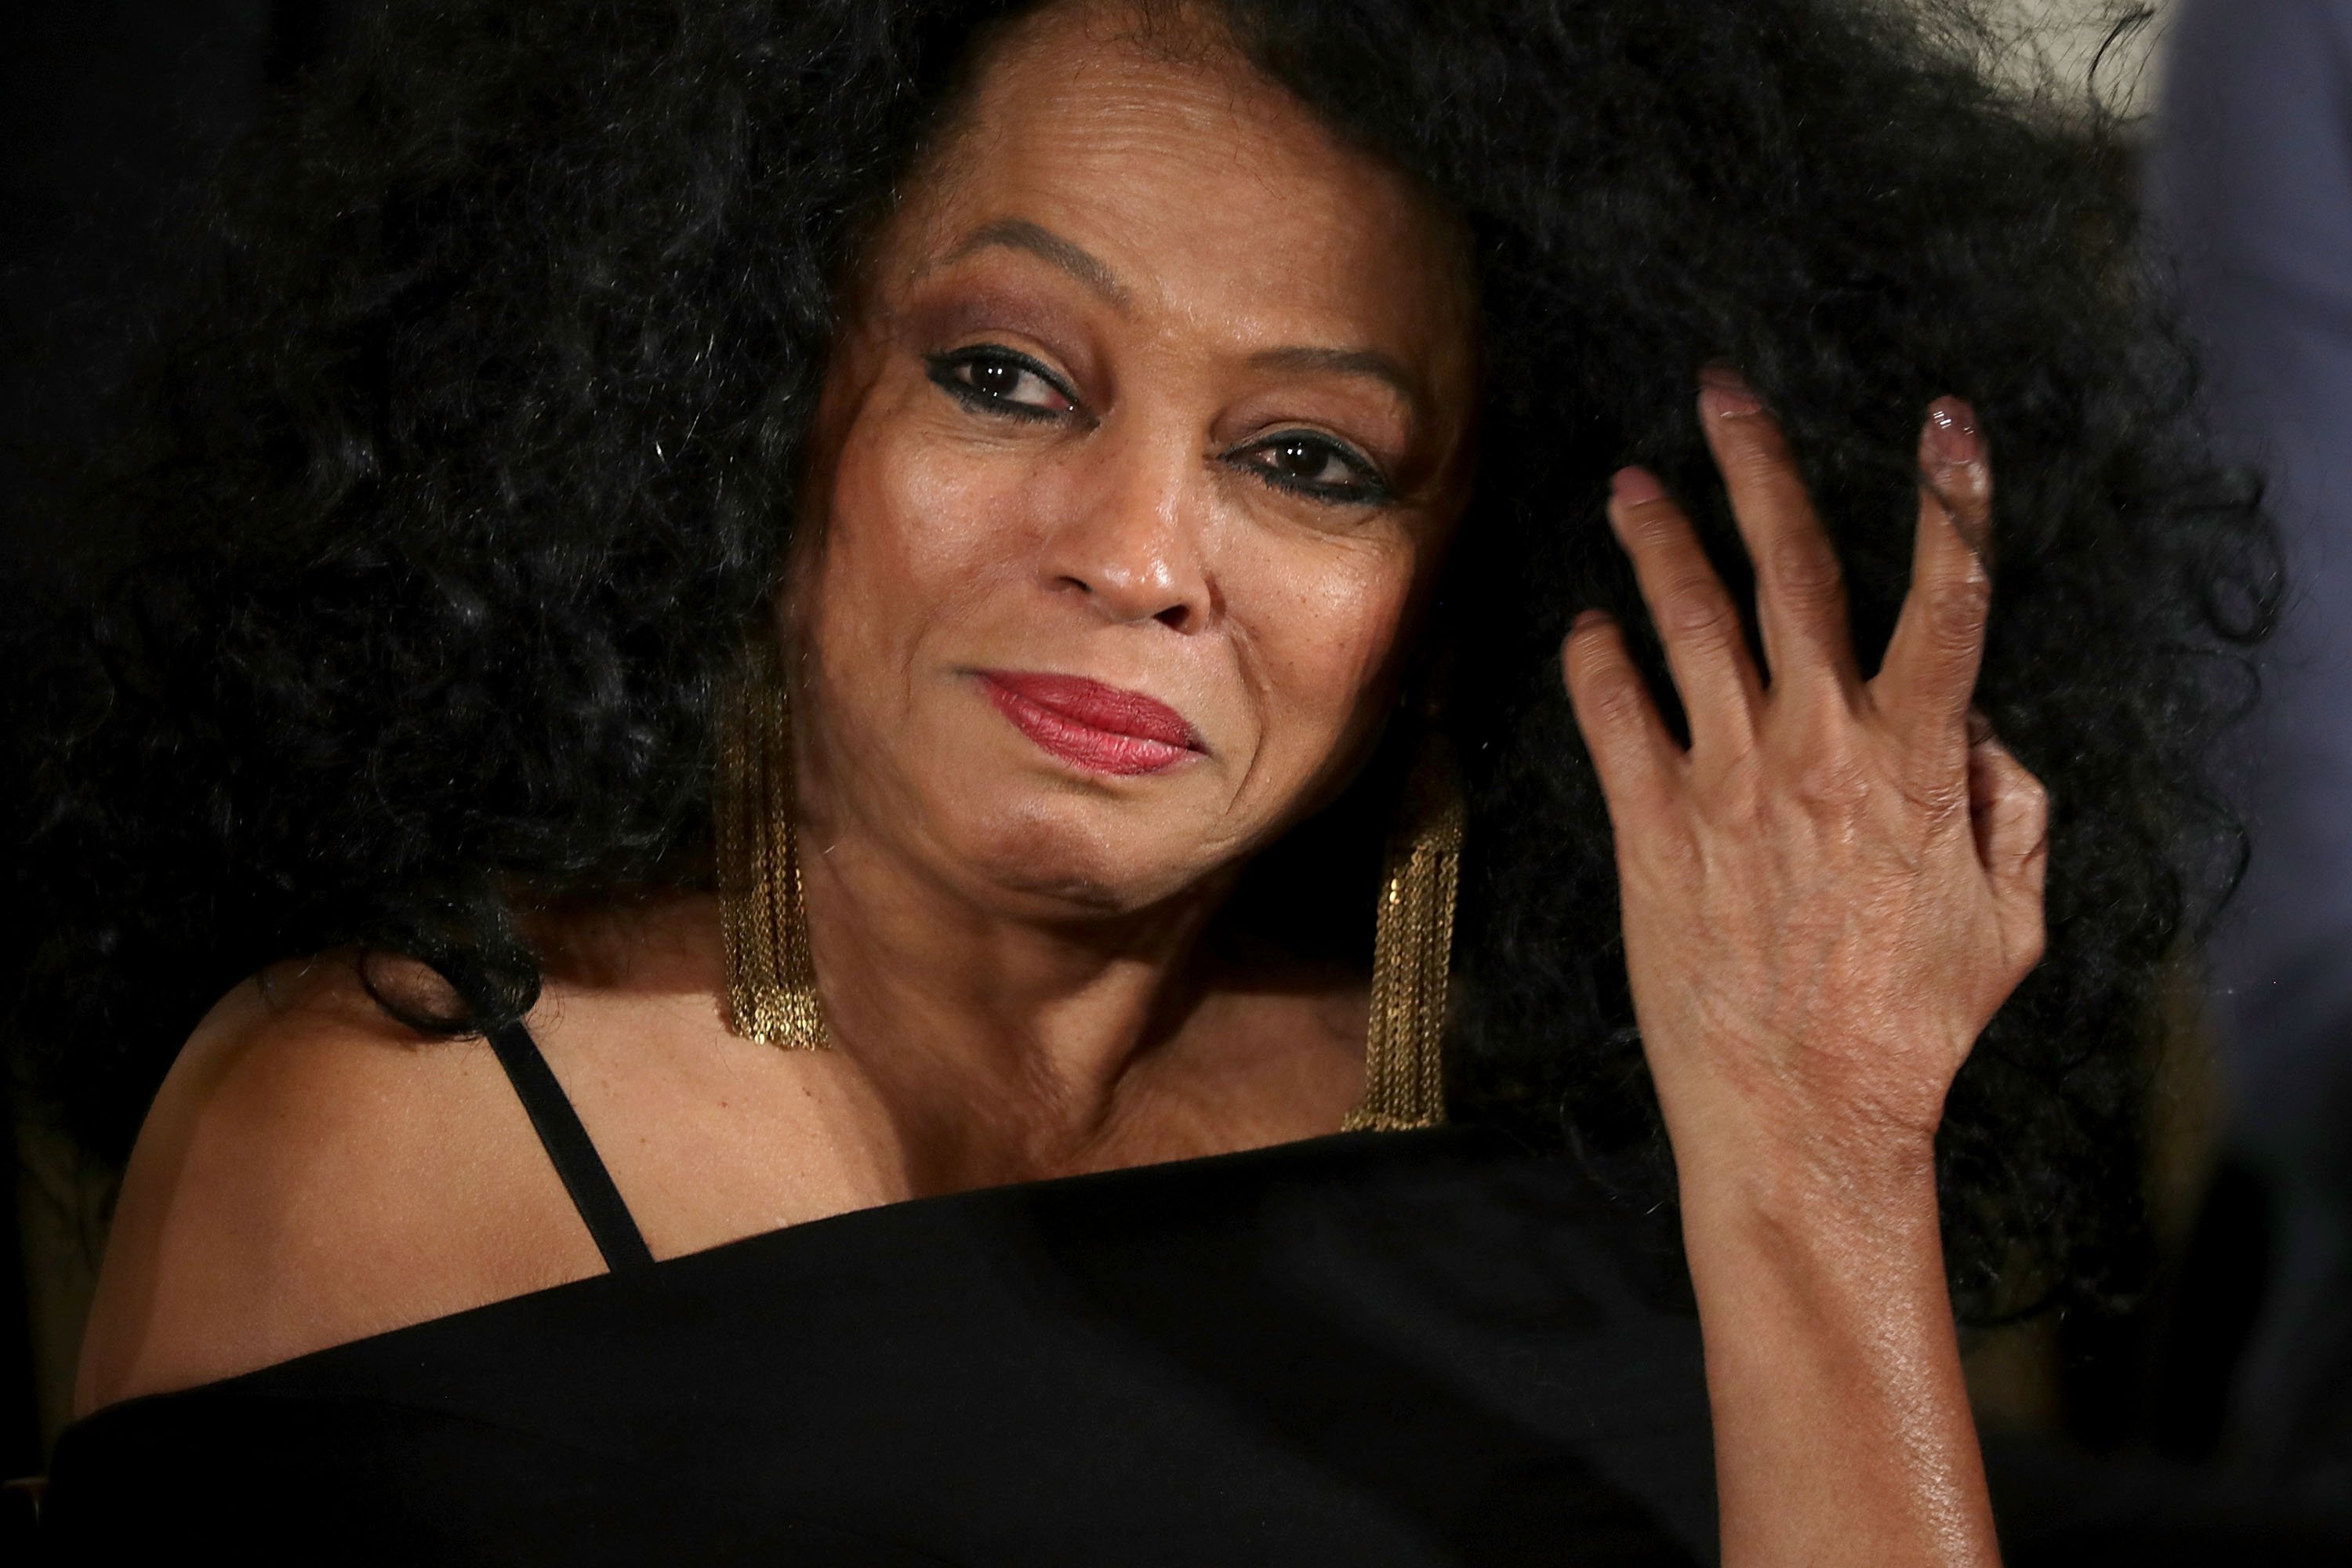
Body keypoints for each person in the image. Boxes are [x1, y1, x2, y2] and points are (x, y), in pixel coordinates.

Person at [6, 0, 2273, 1560]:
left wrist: (1820, 1167)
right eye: (1004, 375)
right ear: (738, 396)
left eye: (1309, 458)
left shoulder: (1616, 1163)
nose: (1138, 558)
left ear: (1456, 587)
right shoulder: (377, 1138)